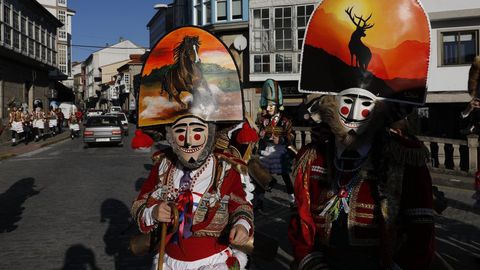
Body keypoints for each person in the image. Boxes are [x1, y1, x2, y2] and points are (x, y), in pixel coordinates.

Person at [288, 1, 435, 269]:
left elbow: (420, 230)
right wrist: (309, 260)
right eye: (347, 103)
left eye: (365, 105)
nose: (354, 113)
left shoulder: (404, 157)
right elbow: (301, 221)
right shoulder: (311, 158)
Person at [131, 26, 253, 270]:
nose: (188, 140)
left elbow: (240, 204)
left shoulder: (224, 169)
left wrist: (241, 225)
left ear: (209, 135)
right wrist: (154, 213)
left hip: (213, 262)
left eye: (197, 132)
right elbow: (140, 204)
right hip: (170, 261)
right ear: (171, 137)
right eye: (180, 132)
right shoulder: (164, 167)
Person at [256, 79, 295, 210]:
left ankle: (292, 200)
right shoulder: (264, 120)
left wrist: (281, 140)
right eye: (267, 105)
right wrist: (261, 135)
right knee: (262, 176)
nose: (268, 108)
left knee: (285, 176)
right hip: (267, 150)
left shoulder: (285, 120)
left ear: (277, 106)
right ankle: (260, 202)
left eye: (271, 106)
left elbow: (291, 135)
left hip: (280, 150)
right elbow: (261, 133)